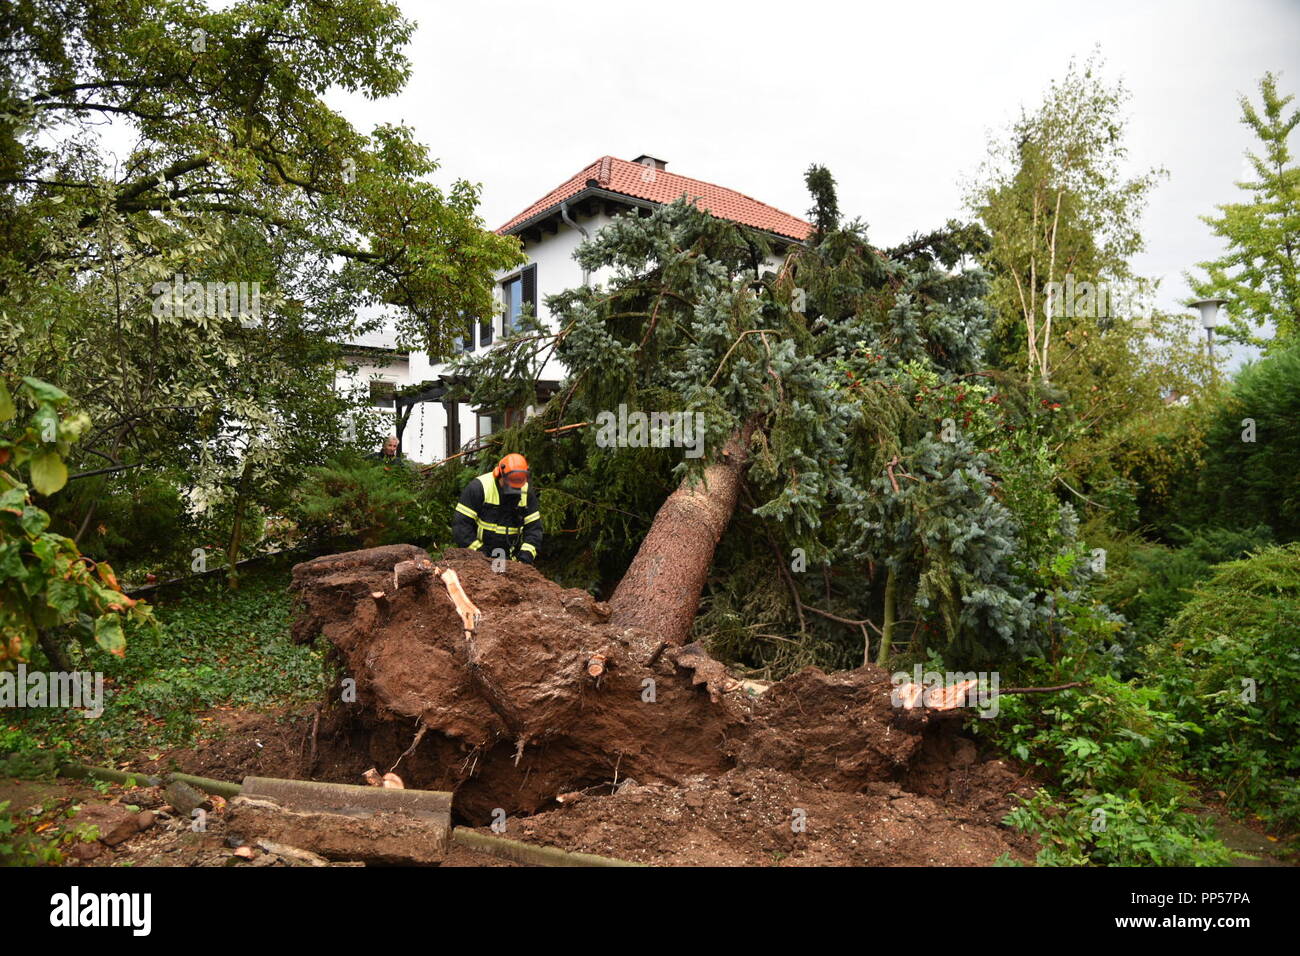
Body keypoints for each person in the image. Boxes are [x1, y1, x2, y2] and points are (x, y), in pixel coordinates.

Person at [452, 453, 542, 564]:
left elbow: (534, 530)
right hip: (479, 559)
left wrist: (524, 558)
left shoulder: (526, 492)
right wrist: (480, 555)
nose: (513, 488)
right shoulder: (479, 488)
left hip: (512, 561)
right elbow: (461, 527)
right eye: (511, 482)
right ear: (499, 474)